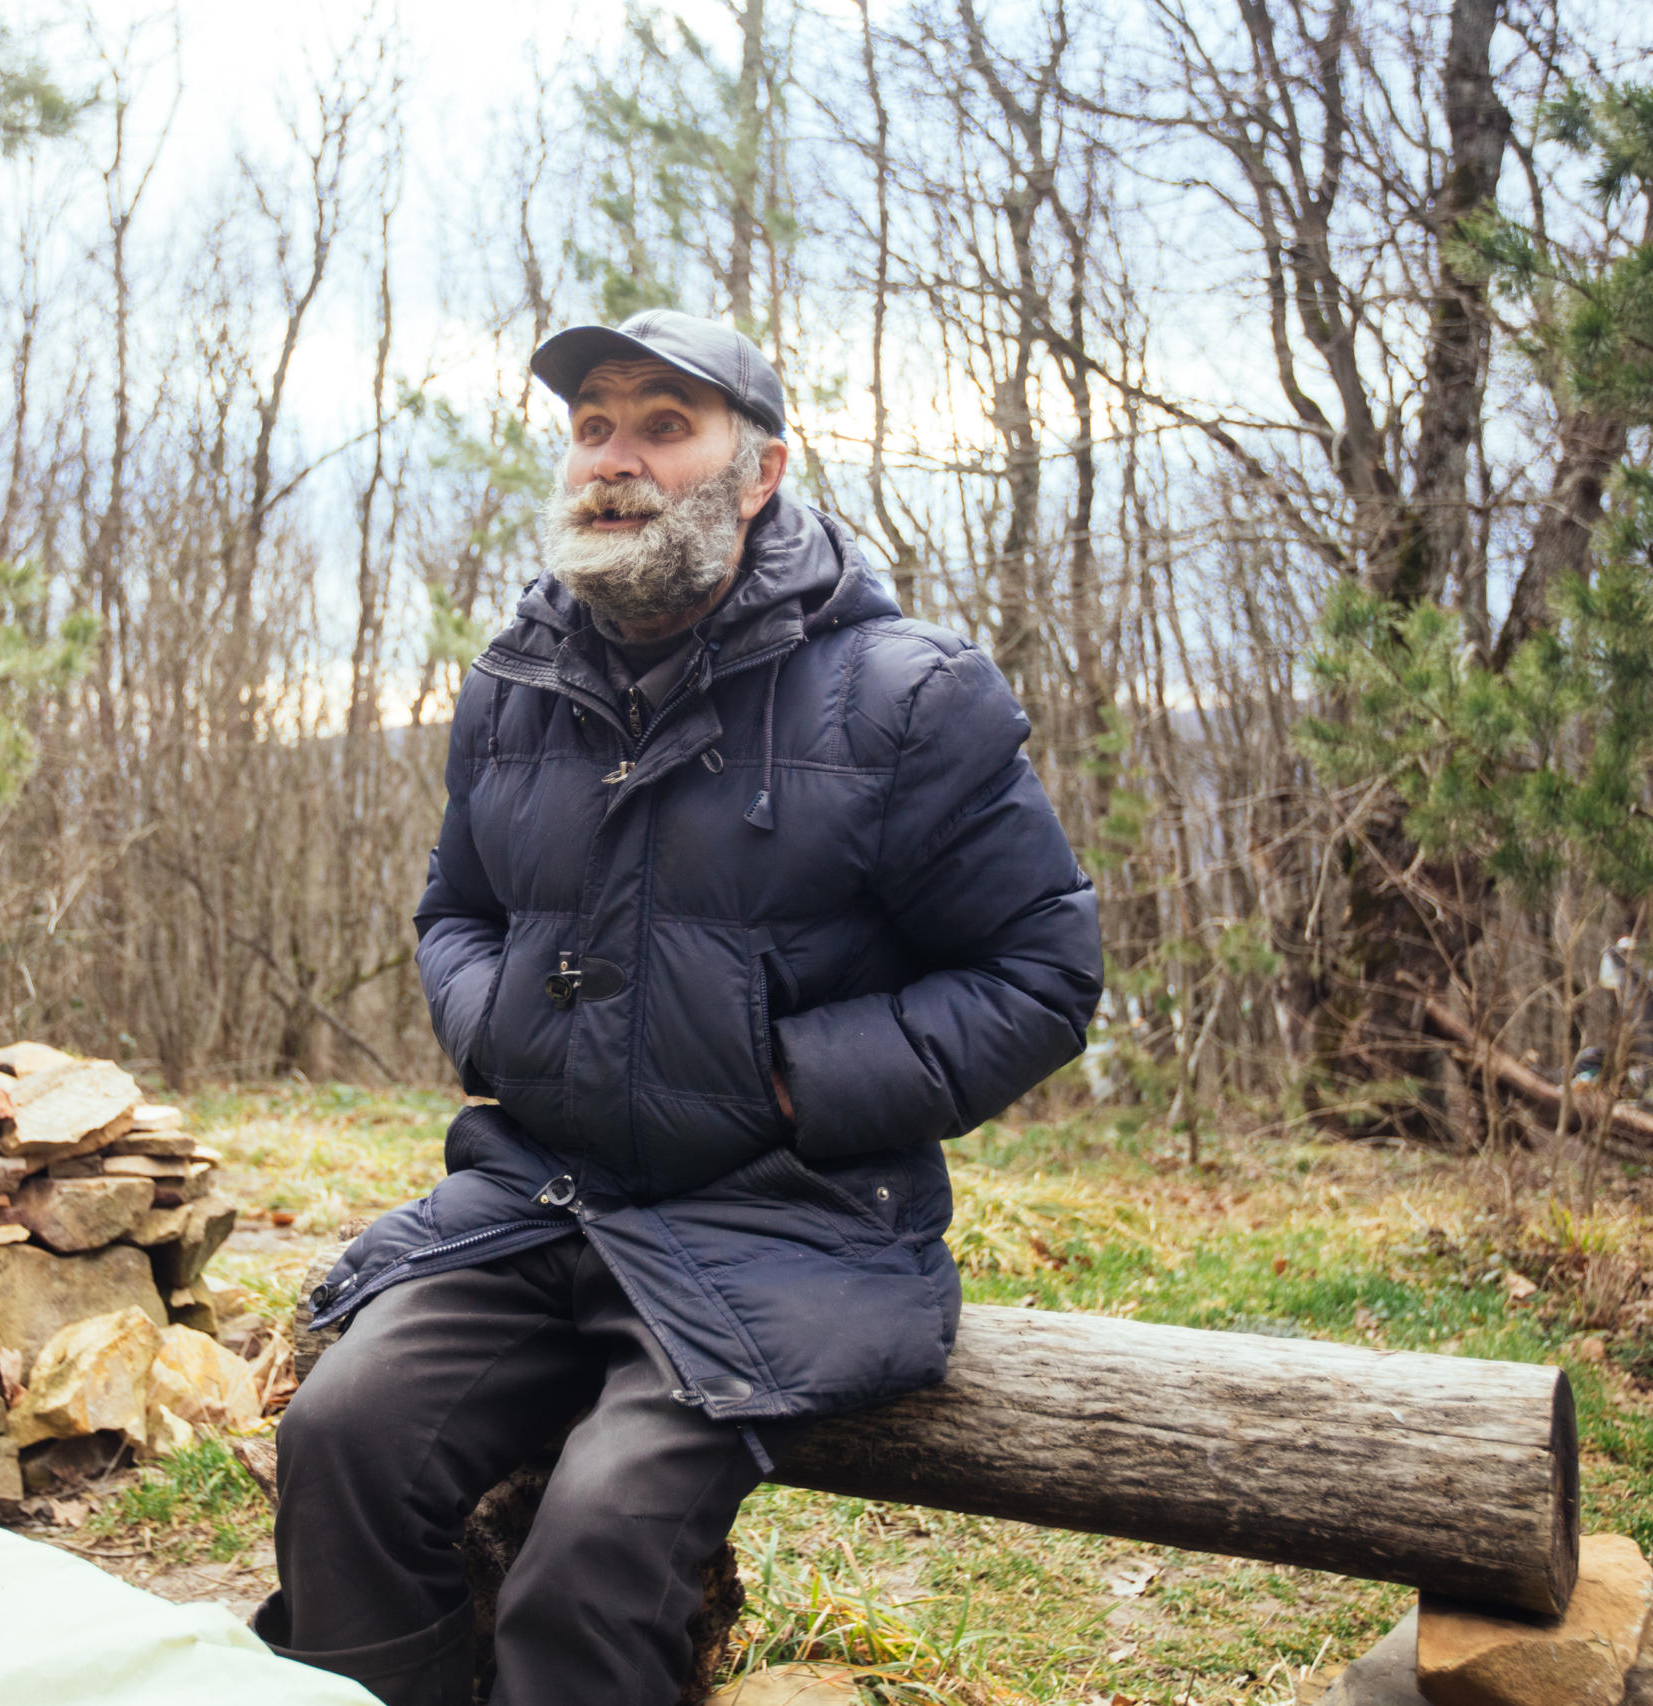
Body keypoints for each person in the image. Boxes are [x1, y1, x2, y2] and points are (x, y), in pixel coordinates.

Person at [255, 310, 1103, 1706]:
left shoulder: (906, 700)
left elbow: (1041, 974)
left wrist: (789, 1084)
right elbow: (455, 911)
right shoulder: (517, 686)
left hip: (783, 1222)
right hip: (542, 1200)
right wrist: (496, 1031)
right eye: (594, 423)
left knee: (591, 1553)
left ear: (760, 471)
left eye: (666, 423)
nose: (617, 458)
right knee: (343, 1436)